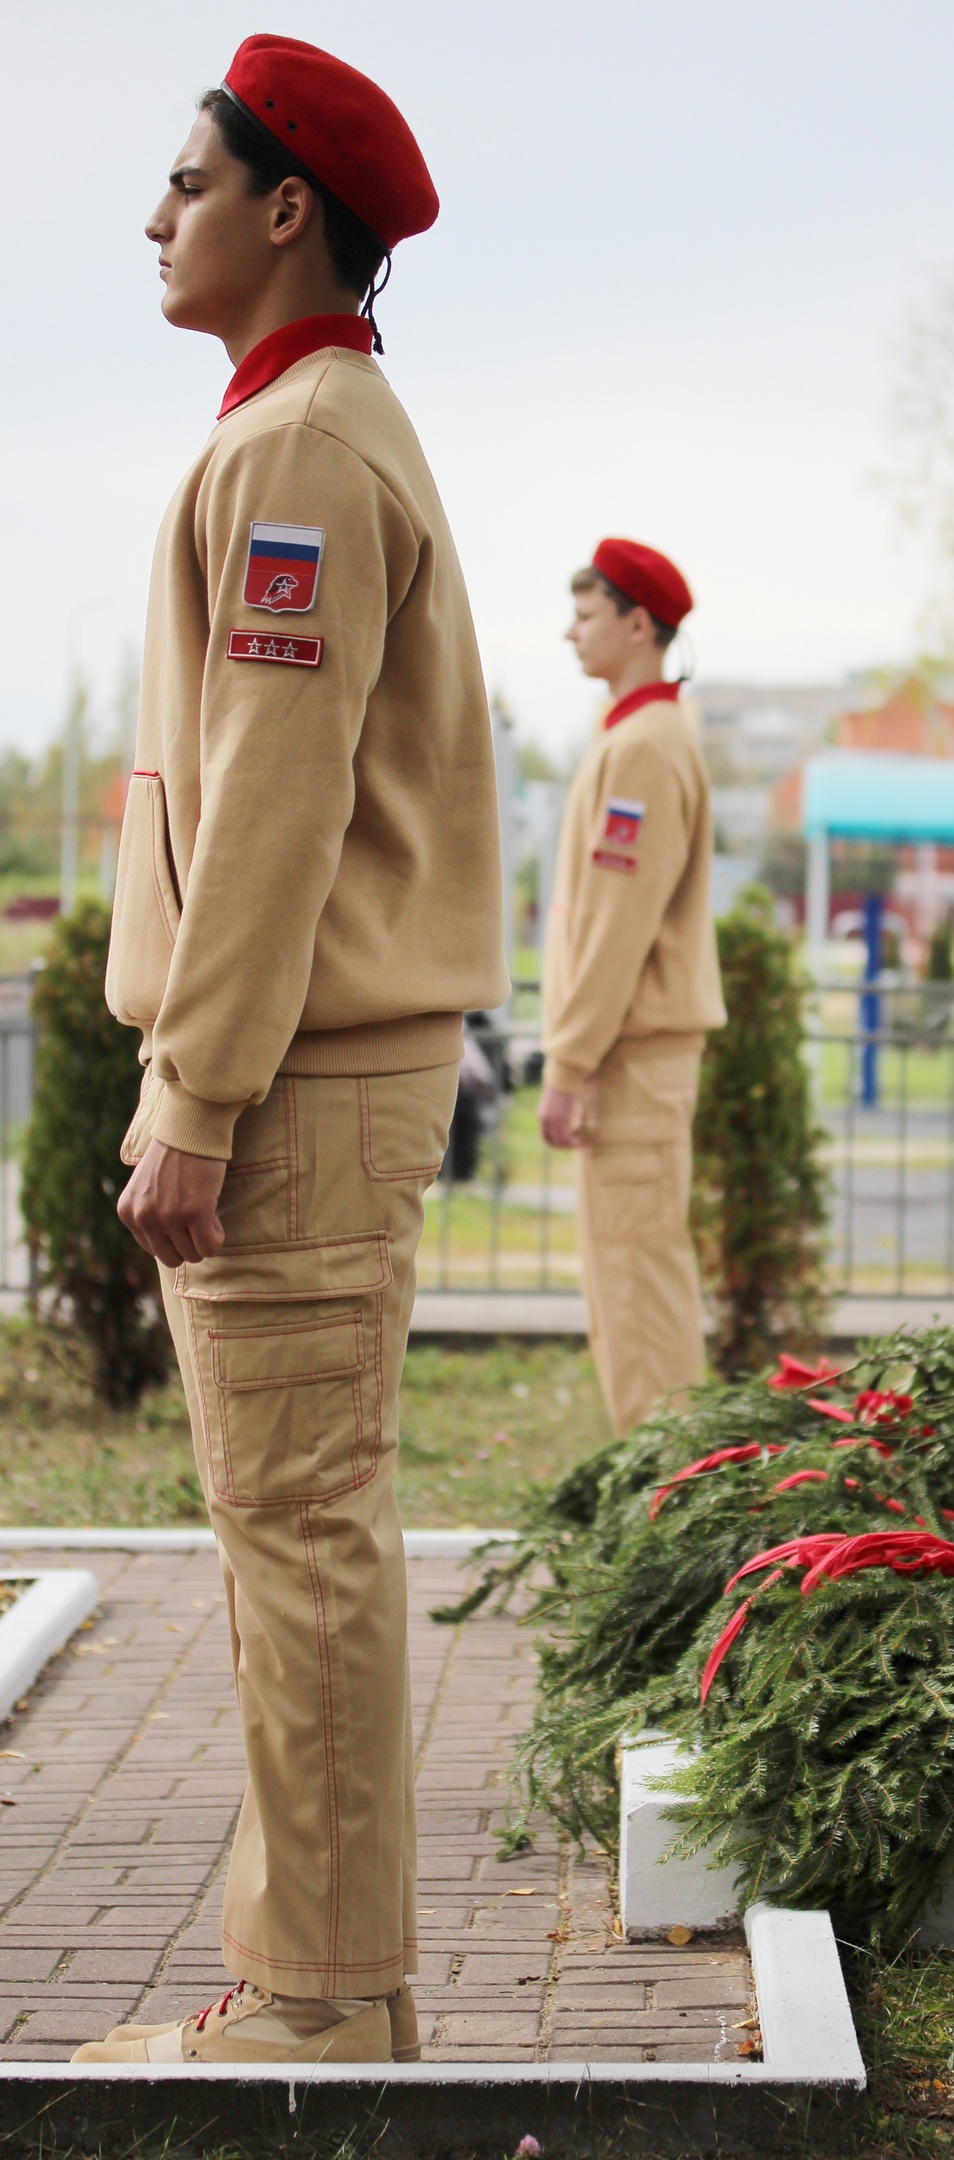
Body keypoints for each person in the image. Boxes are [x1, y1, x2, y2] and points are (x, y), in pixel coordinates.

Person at [70, 36, 505, 2066]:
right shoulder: (299, 430)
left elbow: (269, 805)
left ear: (283, 211)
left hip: (297, 1088)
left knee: (301, 1534)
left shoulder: (308, 446)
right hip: (310, 1074)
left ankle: (322, 2006)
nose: (151, 218)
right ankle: (314, 1978)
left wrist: (194, 1093)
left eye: (183, 181)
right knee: (293, 1531)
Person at [538, 540, 725, 1436]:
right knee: (629, 1291)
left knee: (641, 1300)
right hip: (631, 1056)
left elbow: (616, 926)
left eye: (586, 615)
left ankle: (672, 1506)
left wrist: (567, 1064)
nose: (570, 633)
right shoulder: (637, 734)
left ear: (638, 624)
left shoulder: (646, 747)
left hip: (629, 1059)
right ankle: (661, 1497)